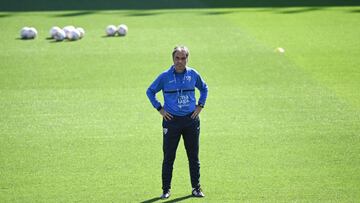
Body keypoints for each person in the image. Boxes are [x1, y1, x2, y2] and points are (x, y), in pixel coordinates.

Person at [146, 46, 208, 199]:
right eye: (177, 58)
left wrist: (200, 106)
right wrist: (160, 109)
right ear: (173, 59)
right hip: (171, 121)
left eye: (183, 58)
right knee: (169, 157)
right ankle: (166, 190)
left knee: (193, 157)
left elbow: (204, 88)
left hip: (191, 121)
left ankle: (196, 188)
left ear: (187, 59)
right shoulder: (165, 76)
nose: (180, 61)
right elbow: (150, 91)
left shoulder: (193, 74)